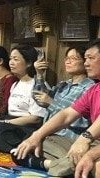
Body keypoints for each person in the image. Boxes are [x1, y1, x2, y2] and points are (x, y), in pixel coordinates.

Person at [13, 41, 100, 176]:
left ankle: (46, 164)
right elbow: (66, 115)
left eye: (91, 58)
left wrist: (85, 142)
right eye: (85, 58)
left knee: (96, 166)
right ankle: (75, 165)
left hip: (86, 140)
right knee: (26, 147)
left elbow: (80, 123)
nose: (86, 63)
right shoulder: (94, 89)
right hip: (86, 142)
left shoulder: (88, 86)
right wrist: (36, 136)